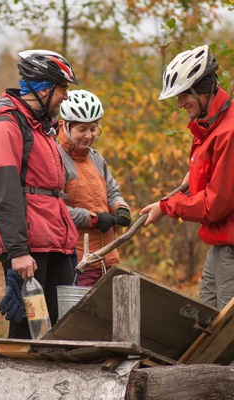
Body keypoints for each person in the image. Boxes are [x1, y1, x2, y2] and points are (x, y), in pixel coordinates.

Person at [0, 50, 79, 339]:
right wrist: (19, 251)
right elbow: (2, 191)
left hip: (52, 238)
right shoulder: (6, 126)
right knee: (28, 331)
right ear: (45, 89)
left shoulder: (39, 128)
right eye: (63, 89)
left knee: (59, 328)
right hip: (28, 244)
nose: (65, 97)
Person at [141, 44, 234, 310]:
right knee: (203, 326)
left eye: (183, 96)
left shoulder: (229, 131)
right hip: (219, 247)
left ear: (201, 89)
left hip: (231, 249)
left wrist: (166, 206)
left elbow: (214, 205)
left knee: (226, 339)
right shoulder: (210, 126)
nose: (180, 104)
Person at [58, 89, 131, 287]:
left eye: (93, 128)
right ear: (66, 126)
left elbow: (112, 191)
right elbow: (56, 209)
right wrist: (94, 219)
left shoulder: (95, 157)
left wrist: (120, 208)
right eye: (82, 129)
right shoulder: (56, 159)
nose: (88, 135)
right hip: (79, 262)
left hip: (108, 259)